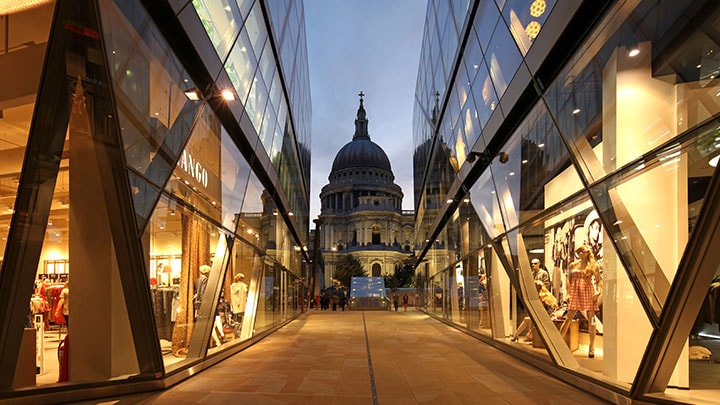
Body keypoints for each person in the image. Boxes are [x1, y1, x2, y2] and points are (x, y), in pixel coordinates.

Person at [559, 244, 602, 358]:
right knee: (569, 318)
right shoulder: (573, 265)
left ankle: (591, 347)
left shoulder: (593, 266)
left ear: (587, 252)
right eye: (579, 252)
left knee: (591, 320)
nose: (580, 254)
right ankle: (558, 343)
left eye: (582, 252)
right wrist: (568, 293)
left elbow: (598, 281)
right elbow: (568, 279)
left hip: (588, 290)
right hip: (575, 291)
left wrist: (598, 291)